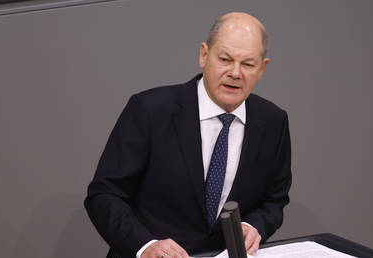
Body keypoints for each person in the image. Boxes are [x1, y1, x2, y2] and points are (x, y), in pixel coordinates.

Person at [84, 12, 292, 258]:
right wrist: (146, 245)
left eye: (248, 64)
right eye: (225, 59)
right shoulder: (150, 110)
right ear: (204, 55)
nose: (235, 73)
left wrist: (252, 226)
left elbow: (274, 201)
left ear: (262, 69)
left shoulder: (273, 121)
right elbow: (104, 195)